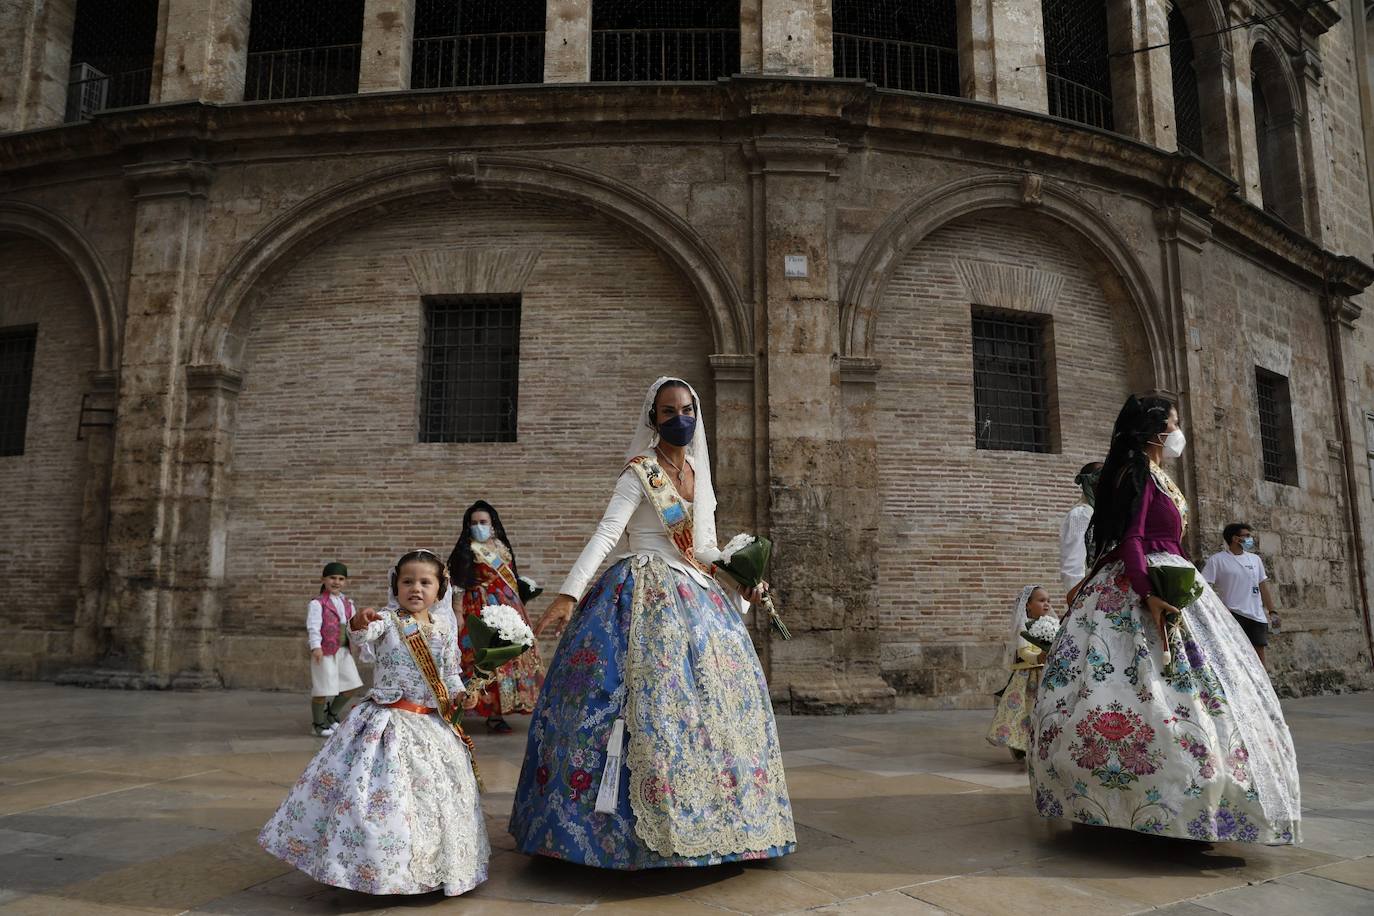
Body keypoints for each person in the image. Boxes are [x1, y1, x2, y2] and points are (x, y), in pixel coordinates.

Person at [509, 377, 796, 869]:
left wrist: (741, 579)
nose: (679, 418)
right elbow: (607, 534)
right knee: (635, 701)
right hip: (640, 587)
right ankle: (604, 835)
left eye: (686, 409)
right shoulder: (639, 474)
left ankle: (727, 823)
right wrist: (568, 594)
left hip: (696, 595)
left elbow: (704, 548)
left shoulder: (700, 475)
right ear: (653, 419)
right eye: (668, 411)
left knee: (714, 706)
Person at [1028, 395, 1301, 844]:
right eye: (1174, 423)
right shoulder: (1134, 470)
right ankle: (1126, 801)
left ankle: (1197, 795)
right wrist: (1147, 593)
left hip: (1171, 576)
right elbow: (1132, 537)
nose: (1179, 431)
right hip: (1141, 584)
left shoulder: (1158, 473)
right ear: (1155, 431)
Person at [260, 550, 490, 896]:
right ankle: (372, 869)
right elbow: (362, 637)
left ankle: (433, 871)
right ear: (395, 587)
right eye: (407, 581)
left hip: (430, 726)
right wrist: (357, 623)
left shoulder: (444, 629)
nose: (416, 588)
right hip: (386, 724)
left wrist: (463, 696)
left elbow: (450, 675)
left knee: (435, 800)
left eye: (425, 582)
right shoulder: (386, 620)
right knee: (380, 798)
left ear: (440, 590)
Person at [447, 500, 545, 733]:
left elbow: (509, 577)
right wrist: (458, 613)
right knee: (479, 656)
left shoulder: (501, 546)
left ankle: (497, 713)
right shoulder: (467, 549)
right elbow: (458, 584)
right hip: (478, 608)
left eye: (483, 522)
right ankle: (463, 705)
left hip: (508, 607)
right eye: (473, 523)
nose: (478, 526)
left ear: (493, 525)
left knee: (509, 656)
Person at [987, 585, 1054, 761]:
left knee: (1044, 711)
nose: (1046, 604)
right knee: (1024, 711)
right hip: (1028, 677)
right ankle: (1020, 744)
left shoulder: (1052, 625)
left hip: (1046, 674)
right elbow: (1024, 651)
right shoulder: (1024, 626)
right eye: (1041, 600)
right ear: (1028, 605)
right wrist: (1038, 656)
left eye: (1048, 601)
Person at [1202, 523, 1276, 665]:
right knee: (1235, 657)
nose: (1250, 539)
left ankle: (1263, 687)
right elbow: (1204, 586)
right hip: (1232, 615)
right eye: (1247, 536)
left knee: (1259, 656)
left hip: (1257, 615)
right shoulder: (1217, 560)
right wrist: (1216, 609)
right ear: (1235, 538)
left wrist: (1272, 611)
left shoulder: (1255, 559)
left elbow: (1262, 586)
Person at [306, 562, 364, 737]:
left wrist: (361, 644)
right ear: (323, 579)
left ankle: (330, 714)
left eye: (341, 579)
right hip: (324, 651)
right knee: (322, 688)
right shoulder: (318, 603)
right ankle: (318, 724)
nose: (336, 582)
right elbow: (313, 626)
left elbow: (353, 627)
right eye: (332, 578)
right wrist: (316, 647)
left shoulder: (348, 603)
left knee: (352, 685)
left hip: (343, 651)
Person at [1059, 462, 1103, 593]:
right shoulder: (1081, 514)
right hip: (1092, 591)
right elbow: (1072, 563)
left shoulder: (1104, 516)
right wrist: (1076, 598)